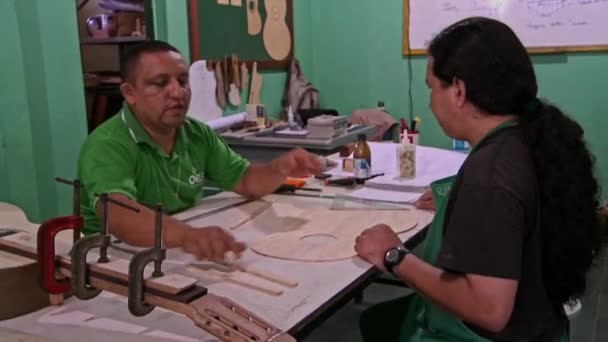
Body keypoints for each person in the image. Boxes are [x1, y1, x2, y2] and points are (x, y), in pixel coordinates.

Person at [355, 17, 603, 341]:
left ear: (458, 90)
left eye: (432, 88)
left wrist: (394, 255)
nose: (429, 103)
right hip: (541, 325)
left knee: (378, 324)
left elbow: (489, 310)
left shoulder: (490, 174)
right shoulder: (526, 141)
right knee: (378, 320)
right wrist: (453, 199)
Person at [78, 41, 320, 261]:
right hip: (115, 259)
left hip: (176, 249)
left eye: (182, 81)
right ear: (129, 93)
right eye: (160, 83)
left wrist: (279, 168)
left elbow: (245, 180)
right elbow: (119, 214)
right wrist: (188, 236)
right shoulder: (107, 144)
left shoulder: (195, 133)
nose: (177, 93)